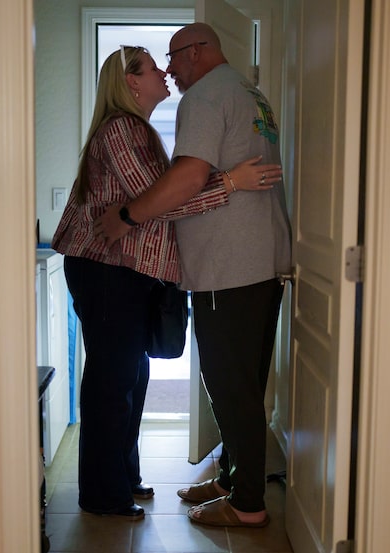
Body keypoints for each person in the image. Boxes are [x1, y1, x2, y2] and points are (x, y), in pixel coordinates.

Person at [51, 45, 280, 521]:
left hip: (123, 272)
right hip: (106, 270)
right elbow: (160, 203)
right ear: (131, 82)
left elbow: (154, 203)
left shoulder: (138, 131)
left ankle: (120, 478)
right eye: (154, 68)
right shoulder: (121, 130)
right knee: (113, 383)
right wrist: (230, 183)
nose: (165, 73)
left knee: (130, 377)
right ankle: (102, 494)